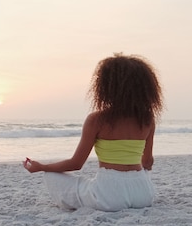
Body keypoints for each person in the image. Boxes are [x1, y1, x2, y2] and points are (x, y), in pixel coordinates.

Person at [23, 53, 164, 212]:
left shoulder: (97, 120)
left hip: (108, 195)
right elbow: (147, 162)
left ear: (106, 87)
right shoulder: (147, 119)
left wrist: (41, 166)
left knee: (50, 174)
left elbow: (76, 164)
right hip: (143, 195)